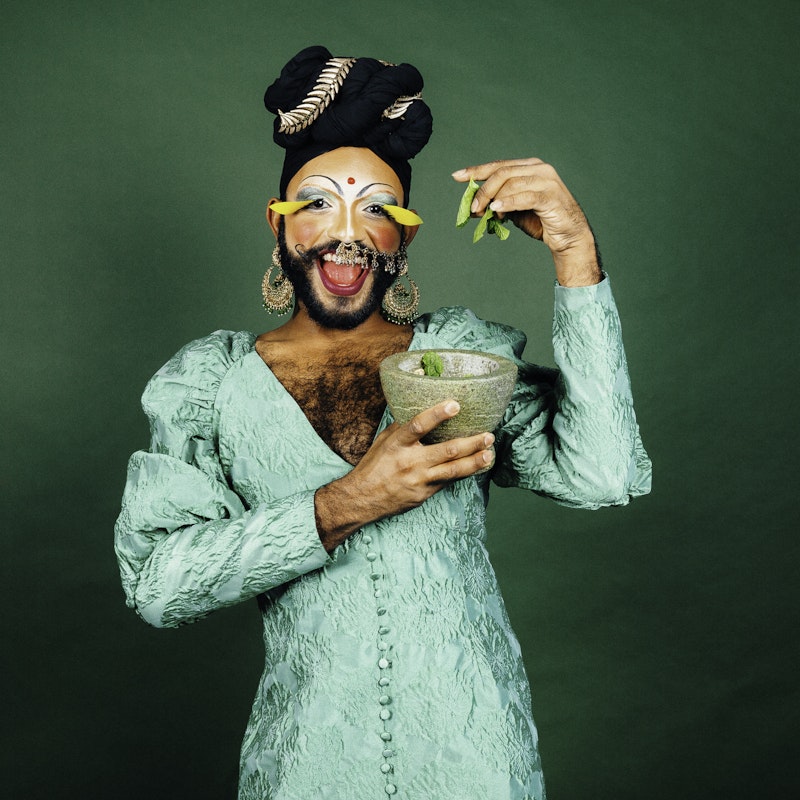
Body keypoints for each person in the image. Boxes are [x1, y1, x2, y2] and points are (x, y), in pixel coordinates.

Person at [115, 45, 651, 800]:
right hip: (307, 768)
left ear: (405, 237)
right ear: (277, 224)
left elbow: (603, 474)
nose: (349, 231)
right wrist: (344, 503)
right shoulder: (211, 384)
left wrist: (573, 254)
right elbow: (158, 584)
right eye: (317, 204)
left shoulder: (463, 361)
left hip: (476, 765)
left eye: (376, 207)